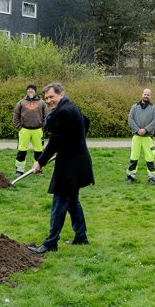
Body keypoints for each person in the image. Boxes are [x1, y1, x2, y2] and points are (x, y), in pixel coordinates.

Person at [28, 82, 94, 254]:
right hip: (78, 161)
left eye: (52, 96)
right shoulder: (71, 107)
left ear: (61, 94)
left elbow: (55, 141)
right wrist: (75, 142)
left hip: (71, 165)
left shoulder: (63, 112)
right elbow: (86, 122)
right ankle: (81, 237)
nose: (49, 100)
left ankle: (51, 242)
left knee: (60, 201)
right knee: (72, 200)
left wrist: (40, 162)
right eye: (47, 98)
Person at [126, 88, 155, 184]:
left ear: (150, 96)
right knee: (134, 157)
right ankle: (130, 176)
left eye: (148, 94)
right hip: (136, 137)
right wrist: (137, 130)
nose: (146, 96)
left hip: (147, 137)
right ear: (142, 94)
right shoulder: (134, 107)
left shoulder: (153, 108)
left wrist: (145, 130)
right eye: (145, 94)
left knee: (150, 158)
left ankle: (152, 178)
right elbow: (130, 120)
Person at [13, 83, 47, 176]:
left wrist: (43, 126)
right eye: (28, 89)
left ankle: (38, 169)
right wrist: (19, 126)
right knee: (21, 151)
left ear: (35, 91)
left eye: (32, 89)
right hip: (24, 130)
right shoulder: (21, 102)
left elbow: (46, 116)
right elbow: (16, 115)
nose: (30, 90)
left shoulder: (42, 103)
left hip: (38, 130)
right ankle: (19, 170)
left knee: (39, 151)